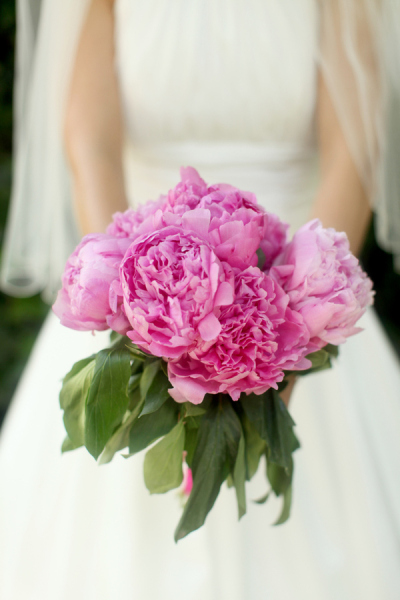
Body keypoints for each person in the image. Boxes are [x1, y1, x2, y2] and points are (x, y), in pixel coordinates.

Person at [0, 1, 400, 599]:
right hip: (141, 294)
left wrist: (295, 328)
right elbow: (92, 149)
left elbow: (354, 152)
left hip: (292, 307)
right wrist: (134, 314)